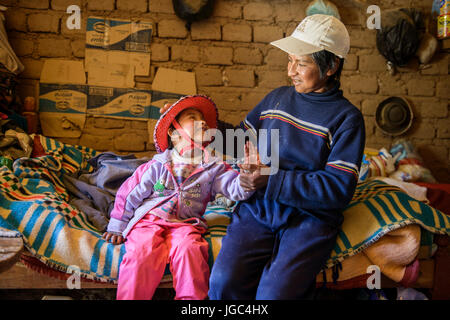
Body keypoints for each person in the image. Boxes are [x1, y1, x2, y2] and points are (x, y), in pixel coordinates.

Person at [207, 14, 366, 299]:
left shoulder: (347, 119)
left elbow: (339, 189)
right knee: (223, 281)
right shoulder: (276, 99)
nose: (290, 71)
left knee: (274, 295)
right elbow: (242, 141)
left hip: (309, 218)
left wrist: (270, 178)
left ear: (331, 66)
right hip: (260, 208)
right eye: (290, 60)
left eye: (301, 63)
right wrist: (208, 128)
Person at [102, 95, 255, 300]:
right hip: (148, 221)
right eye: (193, 117)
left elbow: (236, 188)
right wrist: (117, 225)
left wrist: (249, 177)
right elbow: (129, 193)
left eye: (204, 120)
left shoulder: (213, 167)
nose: (202, 122)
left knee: (190, 250)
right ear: (174, 132)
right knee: (141, 253)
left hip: (185, 224)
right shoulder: (157, 166)